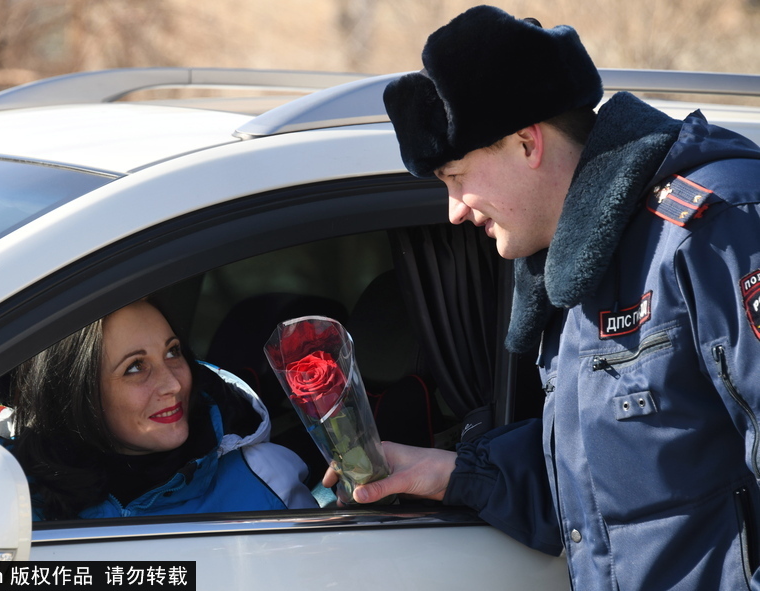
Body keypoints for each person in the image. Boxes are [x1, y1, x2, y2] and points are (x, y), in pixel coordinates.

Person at [322, 5, 760, 590]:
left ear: (527, 143)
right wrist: (449, 473)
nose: (453, 211)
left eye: (455, 176)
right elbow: (611, 491)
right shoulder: (582, 267)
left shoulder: (716, 229)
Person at [12, 299, 317, 520]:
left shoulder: (264, 481)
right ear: (78, 392)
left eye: (173, 352)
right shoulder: (11, 486)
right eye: (135, 367)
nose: (173, 383)